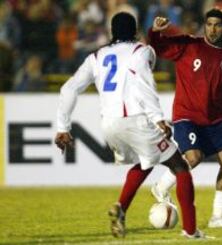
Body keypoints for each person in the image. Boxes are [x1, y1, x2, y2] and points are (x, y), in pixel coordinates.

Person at [54, 12, 205, 239]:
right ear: (135, 31)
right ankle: (191, 231)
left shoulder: (96, 56)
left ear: (111, 32)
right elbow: (143, 83)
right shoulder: (140, 51)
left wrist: (63, 127)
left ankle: (121, 209)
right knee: (180, 167)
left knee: (147, 161)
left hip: (110, 125)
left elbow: (68, 89)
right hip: (136, 120)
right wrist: (157, 117)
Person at [148, 7, 222, 228]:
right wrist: (154, 32)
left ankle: (217, 217)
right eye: (209, 24)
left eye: (217, 25)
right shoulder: (190, 45)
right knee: (194, 157)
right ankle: (160, 187)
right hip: (186, 114)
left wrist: (221, 119)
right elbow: (158, 47)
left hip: (214, 119)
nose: (212, 29)